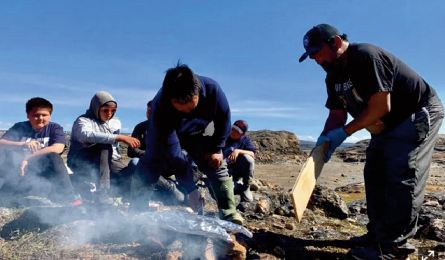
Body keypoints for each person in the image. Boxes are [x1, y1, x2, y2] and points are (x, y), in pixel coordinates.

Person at [298, 23, 444, 259]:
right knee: (374, 173)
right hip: (383, 123)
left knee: (403, 173)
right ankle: (377, 235)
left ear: (334, 42)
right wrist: (323, 141)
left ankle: (395, 247)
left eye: (316, 52)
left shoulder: (366, 56)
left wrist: (344, 134)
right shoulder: (332, 76)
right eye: (311, 55)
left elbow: (379, 106)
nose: (315, 60)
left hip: (416, 112)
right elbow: (336, 114)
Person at [132, 64, 244, 225]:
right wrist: (191, 189)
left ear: (197, 92)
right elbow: (173, 152)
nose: (186, 113)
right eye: (181, 110)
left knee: (216, 163)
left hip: (197, 134)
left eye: (190, 108)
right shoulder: (160, 104)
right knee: (150, 163)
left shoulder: (213, 89)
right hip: (166, 135)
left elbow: (224, 120)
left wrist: (217, 149)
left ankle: (228, 211)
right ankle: (136, 213)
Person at [0, 97, 81, 206]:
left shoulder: (54, 128)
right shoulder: (20, 127)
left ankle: (69, 198)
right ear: (28, 115)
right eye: (36, 115)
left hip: (44, 174)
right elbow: (2, 143)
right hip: (19, 173)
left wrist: (27, 158)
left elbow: (58, 148)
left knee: (53, 156)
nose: (40, 118)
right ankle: (7, 191)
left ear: (50, 115)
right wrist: (23, 144)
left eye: (44, 115)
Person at [67, 91, 140, 202]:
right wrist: (118, 137)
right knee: (104, 146)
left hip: (109, 161)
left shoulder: (115, 122)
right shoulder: (83, 120)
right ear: (96, 108)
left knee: (135, 171)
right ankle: (102, 194)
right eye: (105, 110)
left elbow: (114, 149)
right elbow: (85, 135)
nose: (109, 114)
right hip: (83, 160)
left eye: (113, 111)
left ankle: (166, 190)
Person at [128, 100, 185, 203]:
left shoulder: (171, 128)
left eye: (152, 111)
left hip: (166, 164)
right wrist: (147, 154)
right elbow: (131, 151)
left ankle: (186, 190)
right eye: (148, 110)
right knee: (134, 162)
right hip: (147, 163)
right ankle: (170, 187)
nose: (149, 113)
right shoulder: (140, 127)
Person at [223, 120, 256, 202]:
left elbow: (252, 153)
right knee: (225, 190)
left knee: (248, 159)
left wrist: (238, 151)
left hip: (237, 170)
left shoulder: (245, 140)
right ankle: (238, 185)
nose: (233, 131)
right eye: (233, 128)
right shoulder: (224, 137)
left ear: (242, 134)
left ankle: (246, 187)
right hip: (224, 172)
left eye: (237, 131)